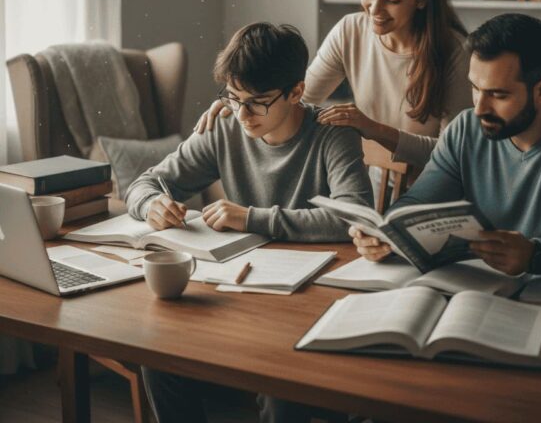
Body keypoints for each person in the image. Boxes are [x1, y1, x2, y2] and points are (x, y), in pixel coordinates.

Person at [126, 22, 372, 423]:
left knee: (280, 393)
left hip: (305, 304)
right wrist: (151, 203)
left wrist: (253, 218)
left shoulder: (332, 135)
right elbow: (146, 182)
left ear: (296, 92)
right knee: (160, 359)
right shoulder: (224, 126)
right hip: (234, 296)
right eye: (233, 97)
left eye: (257, 101)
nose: (242, 113)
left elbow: (350, 216)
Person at [351, 14, 541, 278]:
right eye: (475, 89)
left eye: (498, 95)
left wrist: (536, 255)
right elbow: (417, 204)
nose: (479, 108)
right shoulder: (464, 130)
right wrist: (385, 232)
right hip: (478, 291)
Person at [194, 0, 471, 172]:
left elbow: (452, 157)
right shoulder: (350, 30)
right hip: (368, 185)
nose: (374, 9)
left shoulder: (454, 52)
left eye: (393, 0)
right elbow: (298, 99)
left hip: (430, 197)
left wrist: (372, 128)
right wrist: (242, 100)